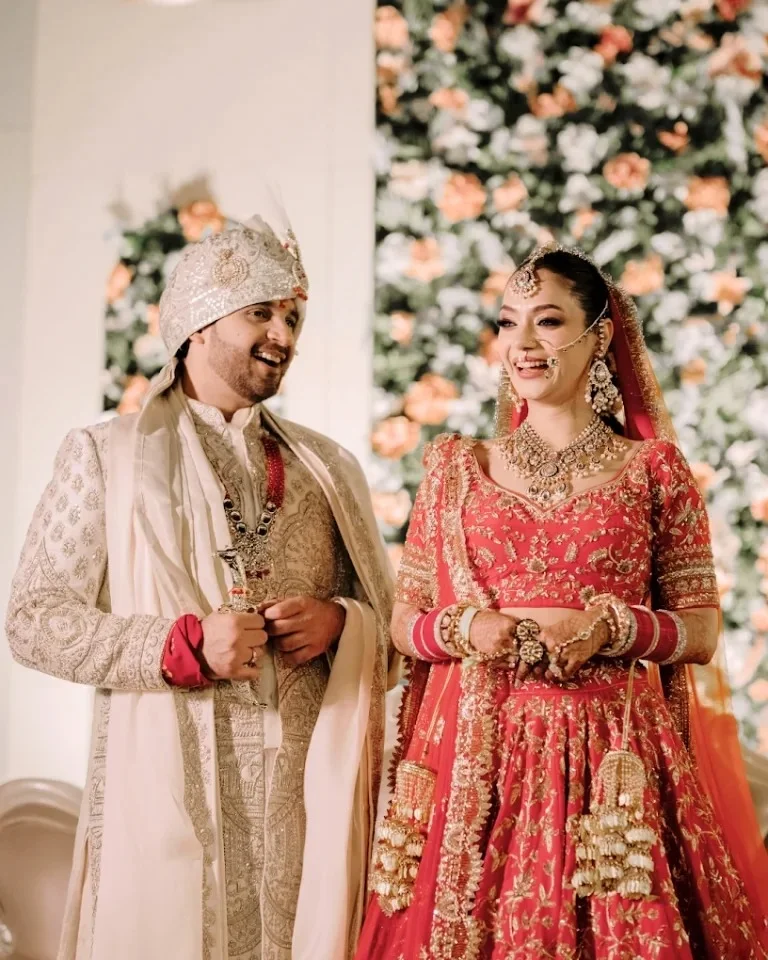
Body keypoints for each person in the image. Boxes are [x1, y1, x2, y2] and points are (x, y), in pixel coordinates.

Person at [356, 246, 768, 959]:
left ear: (599, 337)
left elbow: (700, 631)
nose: (522, 342)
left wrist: (611, 626)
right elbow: (405, 624)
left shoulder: (652, 470)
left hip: (612, 757)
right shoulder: (457, 468)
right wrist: (470, 626)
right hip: (480, 758)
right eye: (507, 322)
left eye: (547, 321)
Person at [6, 212, 397, 960]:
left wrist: (342, 623)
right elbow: (33, 620)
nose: (283, 334)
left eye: (292, 317)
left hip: (307, 819)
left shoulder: (328, 469)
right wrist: (180, 646)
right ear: (197, 323)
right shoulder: (106, 456)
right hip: (169, 805)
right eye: (261, 313)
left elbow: (396, 628)